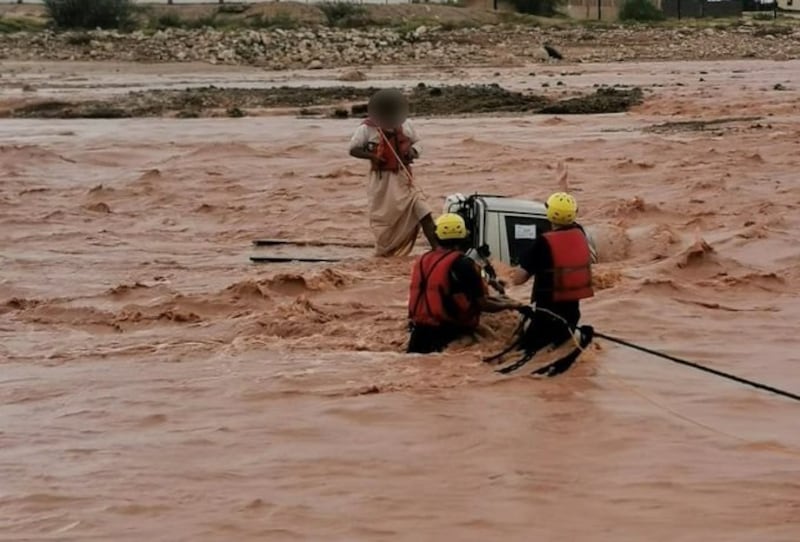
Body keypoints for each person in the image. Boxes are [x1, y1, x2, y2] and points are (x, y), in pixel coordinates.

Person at [407, 213, 523, 354]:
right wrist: (512, 305)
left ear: (437, 237)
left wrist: (495, 290)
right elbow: (483, 304)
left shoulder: (423, 259)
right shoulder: (464, 264)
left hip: (417, 334)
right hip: (450, 334)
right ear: (464, 237)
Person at [349, 88, 438, 257]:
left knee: (424, 212)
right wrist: (372, 157)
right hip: (382, 184)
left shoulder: (406, 125)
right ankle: (385, 254)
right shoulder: (367, 129)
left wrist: (413, 151)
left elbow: (419, 143)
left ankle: (438, 251)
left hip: (404, 179)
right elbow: (353, 149)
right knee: (385, 222)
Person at [510, 192, 594, 353]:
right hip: (572, 316)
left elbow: (518, 279)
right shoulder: (579, 232)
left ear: (549, 213)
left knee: (520, 352)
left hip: (545, 316)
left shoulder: (543, 242)